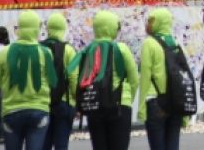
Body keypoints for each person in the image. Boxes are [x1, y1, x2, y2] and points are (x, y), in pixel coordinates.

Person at [69, 10, 139, 150]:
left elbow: (75, 76)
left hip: (95, 105)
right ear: (112, 27)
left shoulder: (88, 50)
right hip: (120, 105)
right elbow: (134, 79)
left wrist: (78, 98)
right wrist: (127, 99)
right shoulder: (122, 49)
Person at [0, 11, 56, 150]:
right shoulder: (46, 53)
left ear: (19, 28)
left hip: (11, 111)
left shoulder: (4, 53)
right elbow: (52, 81)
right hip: (39, 110)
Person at [139, 8, 190, 150]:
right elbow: (184, 75)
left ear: (158, 22)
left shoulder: (149, 43)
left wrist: (141, 107)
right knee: (173, 145)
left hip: (155, 101)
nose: (148, 24)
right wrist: (185, 112)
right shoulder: (176, 43)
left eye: (151, 21)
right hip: (175, 101)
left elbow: (145, 76)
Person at [42, 13, 78, 150]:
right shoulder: (68, 50)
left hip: (43, 103)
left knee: (44, 144)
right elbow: (73, 78)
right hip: (64, 103)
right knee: (61, 144)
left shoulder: (40, 48)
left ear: (48, 28)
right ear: (63, 28)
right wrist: (76, 101)